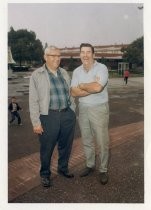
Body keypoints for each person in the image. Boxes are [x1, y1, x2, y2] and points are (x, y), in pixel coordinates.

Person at [29, 46, 76, 188]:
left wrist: (72, 111)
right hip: (49, 116)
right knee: (47, 148)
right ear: (45, 57)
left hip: (67, 114)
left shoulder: (64, 73)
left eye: (59, 56)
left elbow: (70, 93)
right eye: (53, 56)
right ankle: (45, 174)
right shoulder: (37, 75)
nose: (57, 58)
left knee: (65, 146)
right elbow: (33, 100)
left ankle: (63, 169)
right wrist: (36, 123)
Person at [71, 43, 109, 185]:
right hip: (83, 109)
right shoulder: (76, 72)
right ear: (80, 54)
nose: (85, 55)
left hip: (99, 108)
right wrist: (90, 86)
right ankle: (90, 165)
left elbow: (98, 87)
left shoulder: (102, 68)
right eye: (82, 52)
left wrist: (82, 85)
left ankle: (103, 169)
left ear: (93, 55)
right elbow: (73, 92)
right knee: (86, 139)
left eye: (88, 52)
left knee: (102, 141)